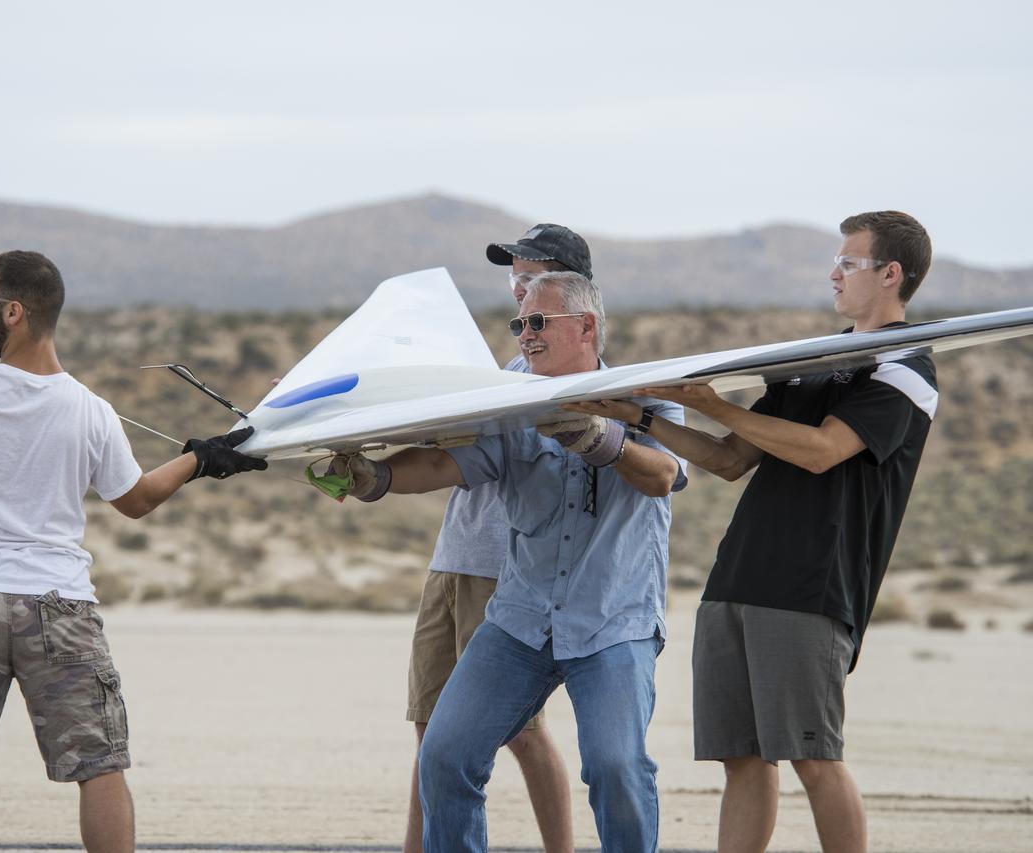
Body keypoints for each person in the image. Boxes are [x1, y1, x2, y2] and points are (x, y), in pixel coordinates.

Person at [0, 250, 266, 853]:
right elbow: (133, 501)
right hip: (59, 607)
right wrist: (203, 458)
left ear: (13, 312)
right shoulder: (92, 410)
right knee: (99, 767)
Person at [567, 210, 935, 853]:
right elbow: (730, 459)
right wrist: (638, 420)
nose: (834, 273)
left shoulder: (907, 369)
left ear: (890, 274)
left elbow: (822, 450)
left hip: (812, 587)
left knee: (814, 758)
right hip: (738, 576)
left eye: (848, 262)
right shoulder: (815, 363)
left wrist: (714, 402)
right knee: (740, 757)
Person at [337, 270, 688, 852]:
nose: (524, 334)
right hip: (521, 619)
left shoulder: (645, 396)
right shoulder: (505, 400)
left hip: (614, 621)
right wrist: (375, 477)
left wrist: (600, 438)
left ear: (586, 326)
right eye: (518, 323)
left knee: (615, 768)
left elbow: (665, 476)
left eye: (538, 322)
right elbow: (445, 465)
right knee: (445, 756)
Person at [400, 224, 591, 853]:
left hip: (503, 569)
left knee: (521, 730)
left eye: (531, 273)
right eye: (515, 273)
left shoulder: (564, 374)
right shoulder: (512, 366)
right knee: (434, 731)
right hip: (452, 557)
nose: (517, 285)